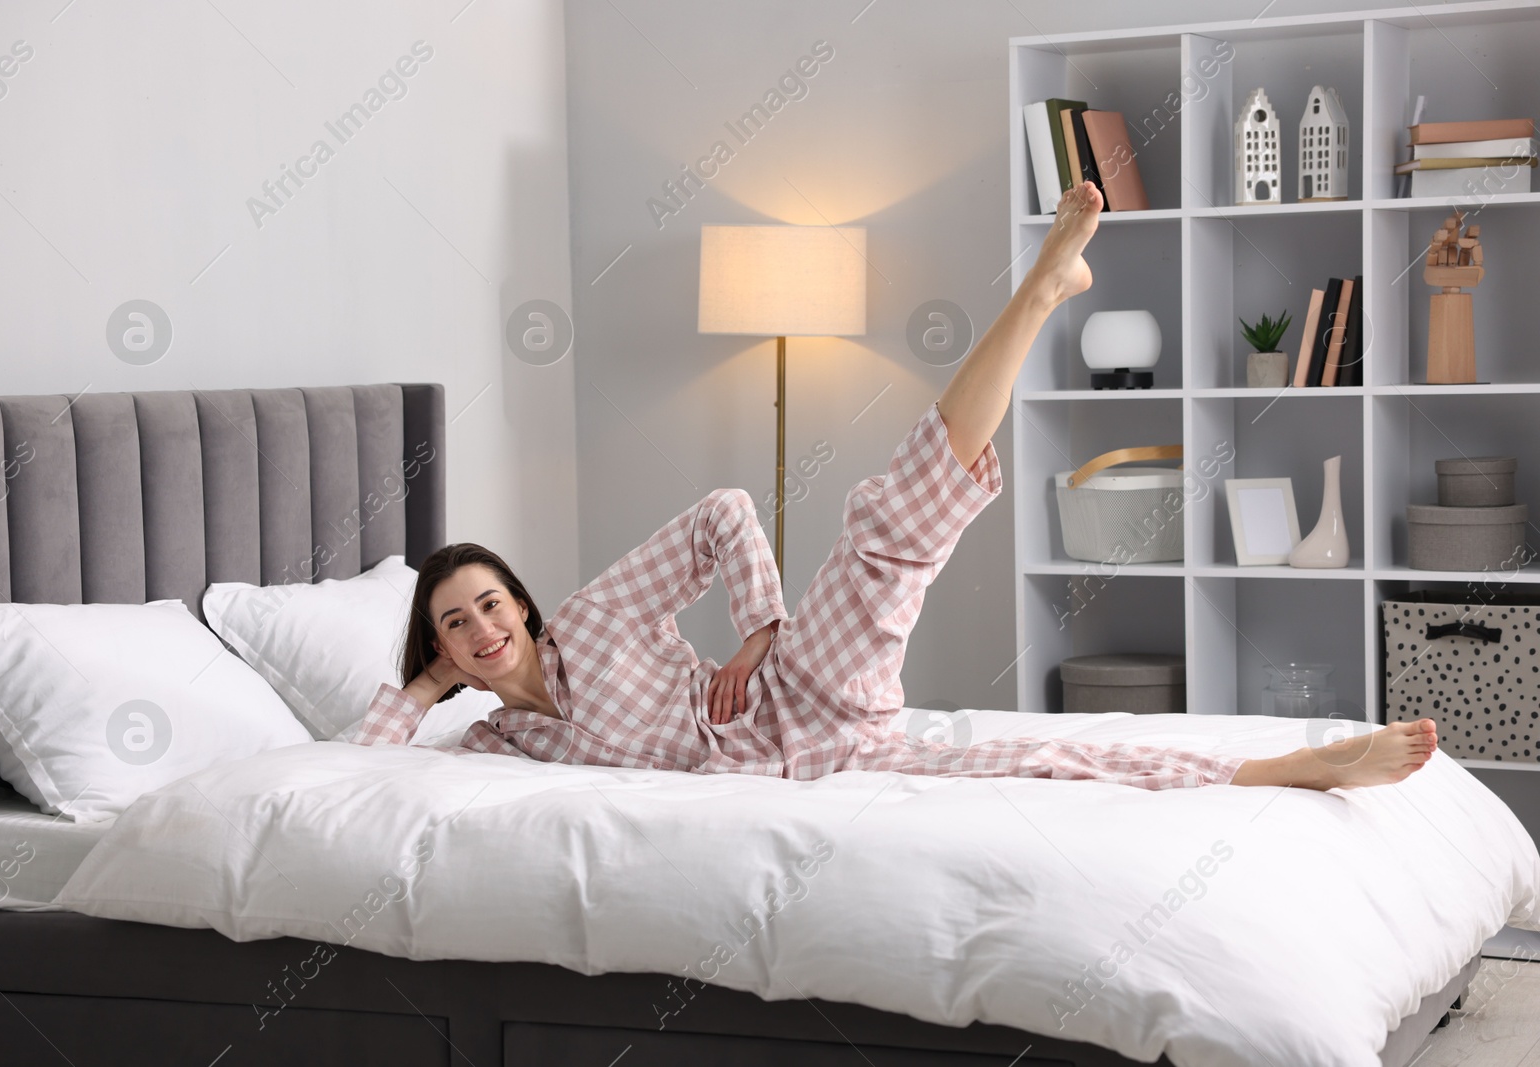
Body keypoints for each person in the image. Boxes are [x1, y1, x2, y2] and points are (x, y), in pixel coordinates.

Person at [351, 181, 1439, 791]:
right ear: (444, 649)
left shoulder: (591, 618)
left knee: (881, 537)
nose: (482, 625)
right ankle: (1291, 767)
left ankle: (1041, 290)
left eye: (489, 601)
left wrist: (757, 634)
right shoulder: (497, 742)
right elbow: (349, 781)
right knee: (1043, 757)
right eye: (455, 624)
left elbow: (727, 511)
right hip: (816, 762)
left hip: (792, 695)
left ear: (523, 605)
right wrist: (417, 691)